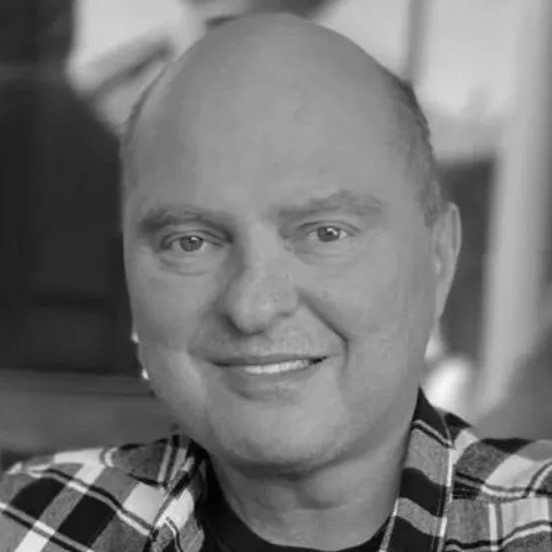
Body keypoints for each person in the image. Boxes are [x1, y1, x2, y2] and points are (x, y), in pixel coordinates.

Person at [1, 13, 552, 552]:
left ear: (439, 259)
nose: (253, 306)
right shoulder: (32, 523)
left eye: (326, 233)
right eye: (190, 241)